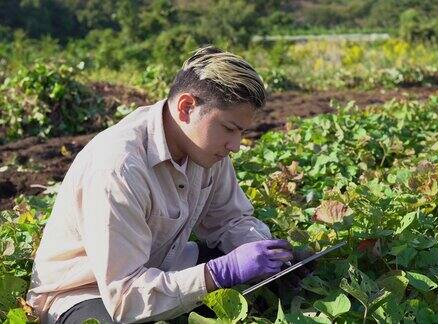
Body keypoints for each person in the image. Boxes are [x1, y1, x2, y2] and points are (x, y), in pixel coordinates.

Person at [26, 46, 296, 323]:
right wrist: (221, 273)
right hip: (89, 291)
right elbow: (124, 296)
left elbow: (230, 219)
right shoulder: (118, 167)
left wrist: (271, 257)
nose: (235, 146)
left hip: (161, 265)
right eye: (229, 129)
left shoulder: (206, 151)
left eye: (241, 132)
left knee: (269, 278)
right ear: (186, 107)